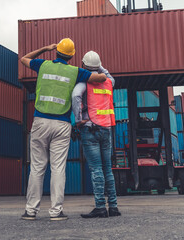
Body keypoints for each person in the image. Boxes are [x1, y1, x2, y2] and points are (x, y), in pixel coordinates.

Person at [20, 39, 107, 221]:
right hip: (62, 124)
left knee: (37, 167)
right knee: (58, 168)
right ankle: (56, 212)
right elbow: (101, 78)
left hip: (40, 122)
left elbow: (24, 58)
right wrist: (98, 66)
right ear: (72, 55)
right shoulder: (75, 71)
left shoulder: (42, 65)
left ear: (56, 51)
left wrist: (45, 48)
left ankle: (30, 211)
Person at [72, 51, 121, 218]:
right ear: (99, 65)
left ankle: (100, 207)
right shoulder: (109, 82)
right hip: (106, 129)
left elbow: (75, 96)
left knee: (96, 169)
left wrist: (78, 119)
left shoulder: (84, 82)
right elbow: (107, 74)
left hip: (90, 128)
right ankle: (113, 207)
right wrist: (99, 66)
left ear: (83, 65)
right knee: (108, 169)